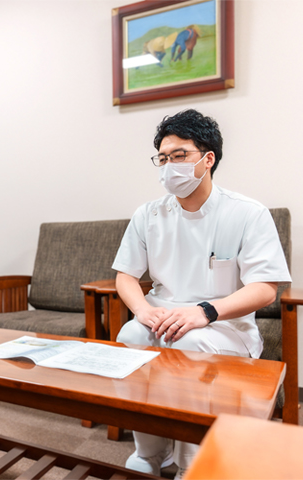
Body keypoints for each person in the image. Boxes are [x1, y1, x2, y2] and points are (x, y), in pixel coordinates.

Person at [112, 109, 291, 478]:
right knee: (130, 335)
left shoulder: (246, 213)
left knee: (189, 346)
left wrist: (204, 312)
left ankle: (191, 464)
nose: (169, 166)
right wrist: (143, 310)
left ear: (208, 159)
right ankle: (150, 451)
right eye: (163, 158)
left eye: (180, 156)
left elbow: (264, 289)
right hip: (162, 317)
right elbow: (125, 277)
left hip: (224, 326)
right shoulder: (148, 214)